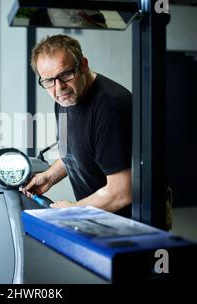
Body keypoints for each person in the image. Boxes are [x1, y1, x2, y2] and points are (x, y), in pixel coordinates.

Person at [21, 34, 132, 217]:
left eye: (65, 74)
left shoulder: (111, 107)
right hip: (97, 219)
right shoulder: (63, 100)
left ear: (84, 65)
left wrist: (74, 209)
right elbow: (72, 153)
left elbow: (122, 192)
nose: (58, 88)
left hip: (129, 226)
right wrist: (49, 177)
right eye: (48, 81)